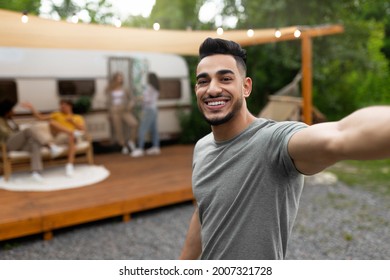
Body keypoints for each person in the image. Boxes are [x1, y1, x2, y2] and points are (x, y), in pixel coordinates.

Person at [179, 37, 390, 260]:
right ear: (196, 89)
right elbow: (204, 211)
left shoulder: (273, 142)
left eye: (225, 78)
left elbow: (339, 136)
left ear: (246, 86)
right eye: (203, 81)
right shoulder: (202, 148)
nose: (212, 89)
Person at [0, 101, 63, 182]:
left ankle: (35, 173)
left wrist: (22, 135)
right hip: (7, 145)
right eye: (12, 110)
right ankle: (51, 146)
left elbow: (17, 132)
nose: (14, 112)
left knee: (34, 143)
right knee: (28, 130)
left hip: (17, 144)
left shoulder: (11, 120)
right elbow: (7, 134)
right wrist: (22, 135)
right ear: (6, 112)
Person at [21, 99, 85, 177]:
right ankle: (71, 133)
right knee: (52, 122)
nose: (62, 107)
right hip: (59, 137)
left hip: (70, 138)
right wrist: (32, 108)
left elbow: (82, 130)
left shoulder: (77, 117)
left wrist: (72, 122)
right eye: (61, 105)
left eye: (64, 105)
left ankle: (69, 166)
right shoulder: (57, 114)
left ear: (70, 106)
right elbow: (40, 118)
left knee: (71, 137)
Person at [106, 72, 137, 154]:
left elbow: (132, 99)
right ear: (115, 79)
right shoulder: (110, 89)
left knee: (134, 124)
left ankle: (131, 142)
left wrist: (130, 106)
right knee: (118, 130)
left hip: (124, 110)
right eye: (119, 78)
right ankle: (123, 146)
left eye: (121, 78)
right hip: (114, 111)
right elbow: (108, 102)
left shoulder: (125, 88)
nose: (120, 79)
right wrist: (109, 113)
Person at [131, 72, 161, 157]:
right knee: (154, 129)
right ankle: (156, 147)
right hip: (154, 109)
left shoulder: (150, 88)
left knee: (142, 129)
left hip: (149, 110)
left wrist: (139, 98)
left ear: (150, 79)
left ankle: (140, 148)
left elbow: (147, 100)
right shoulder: (156, 87)